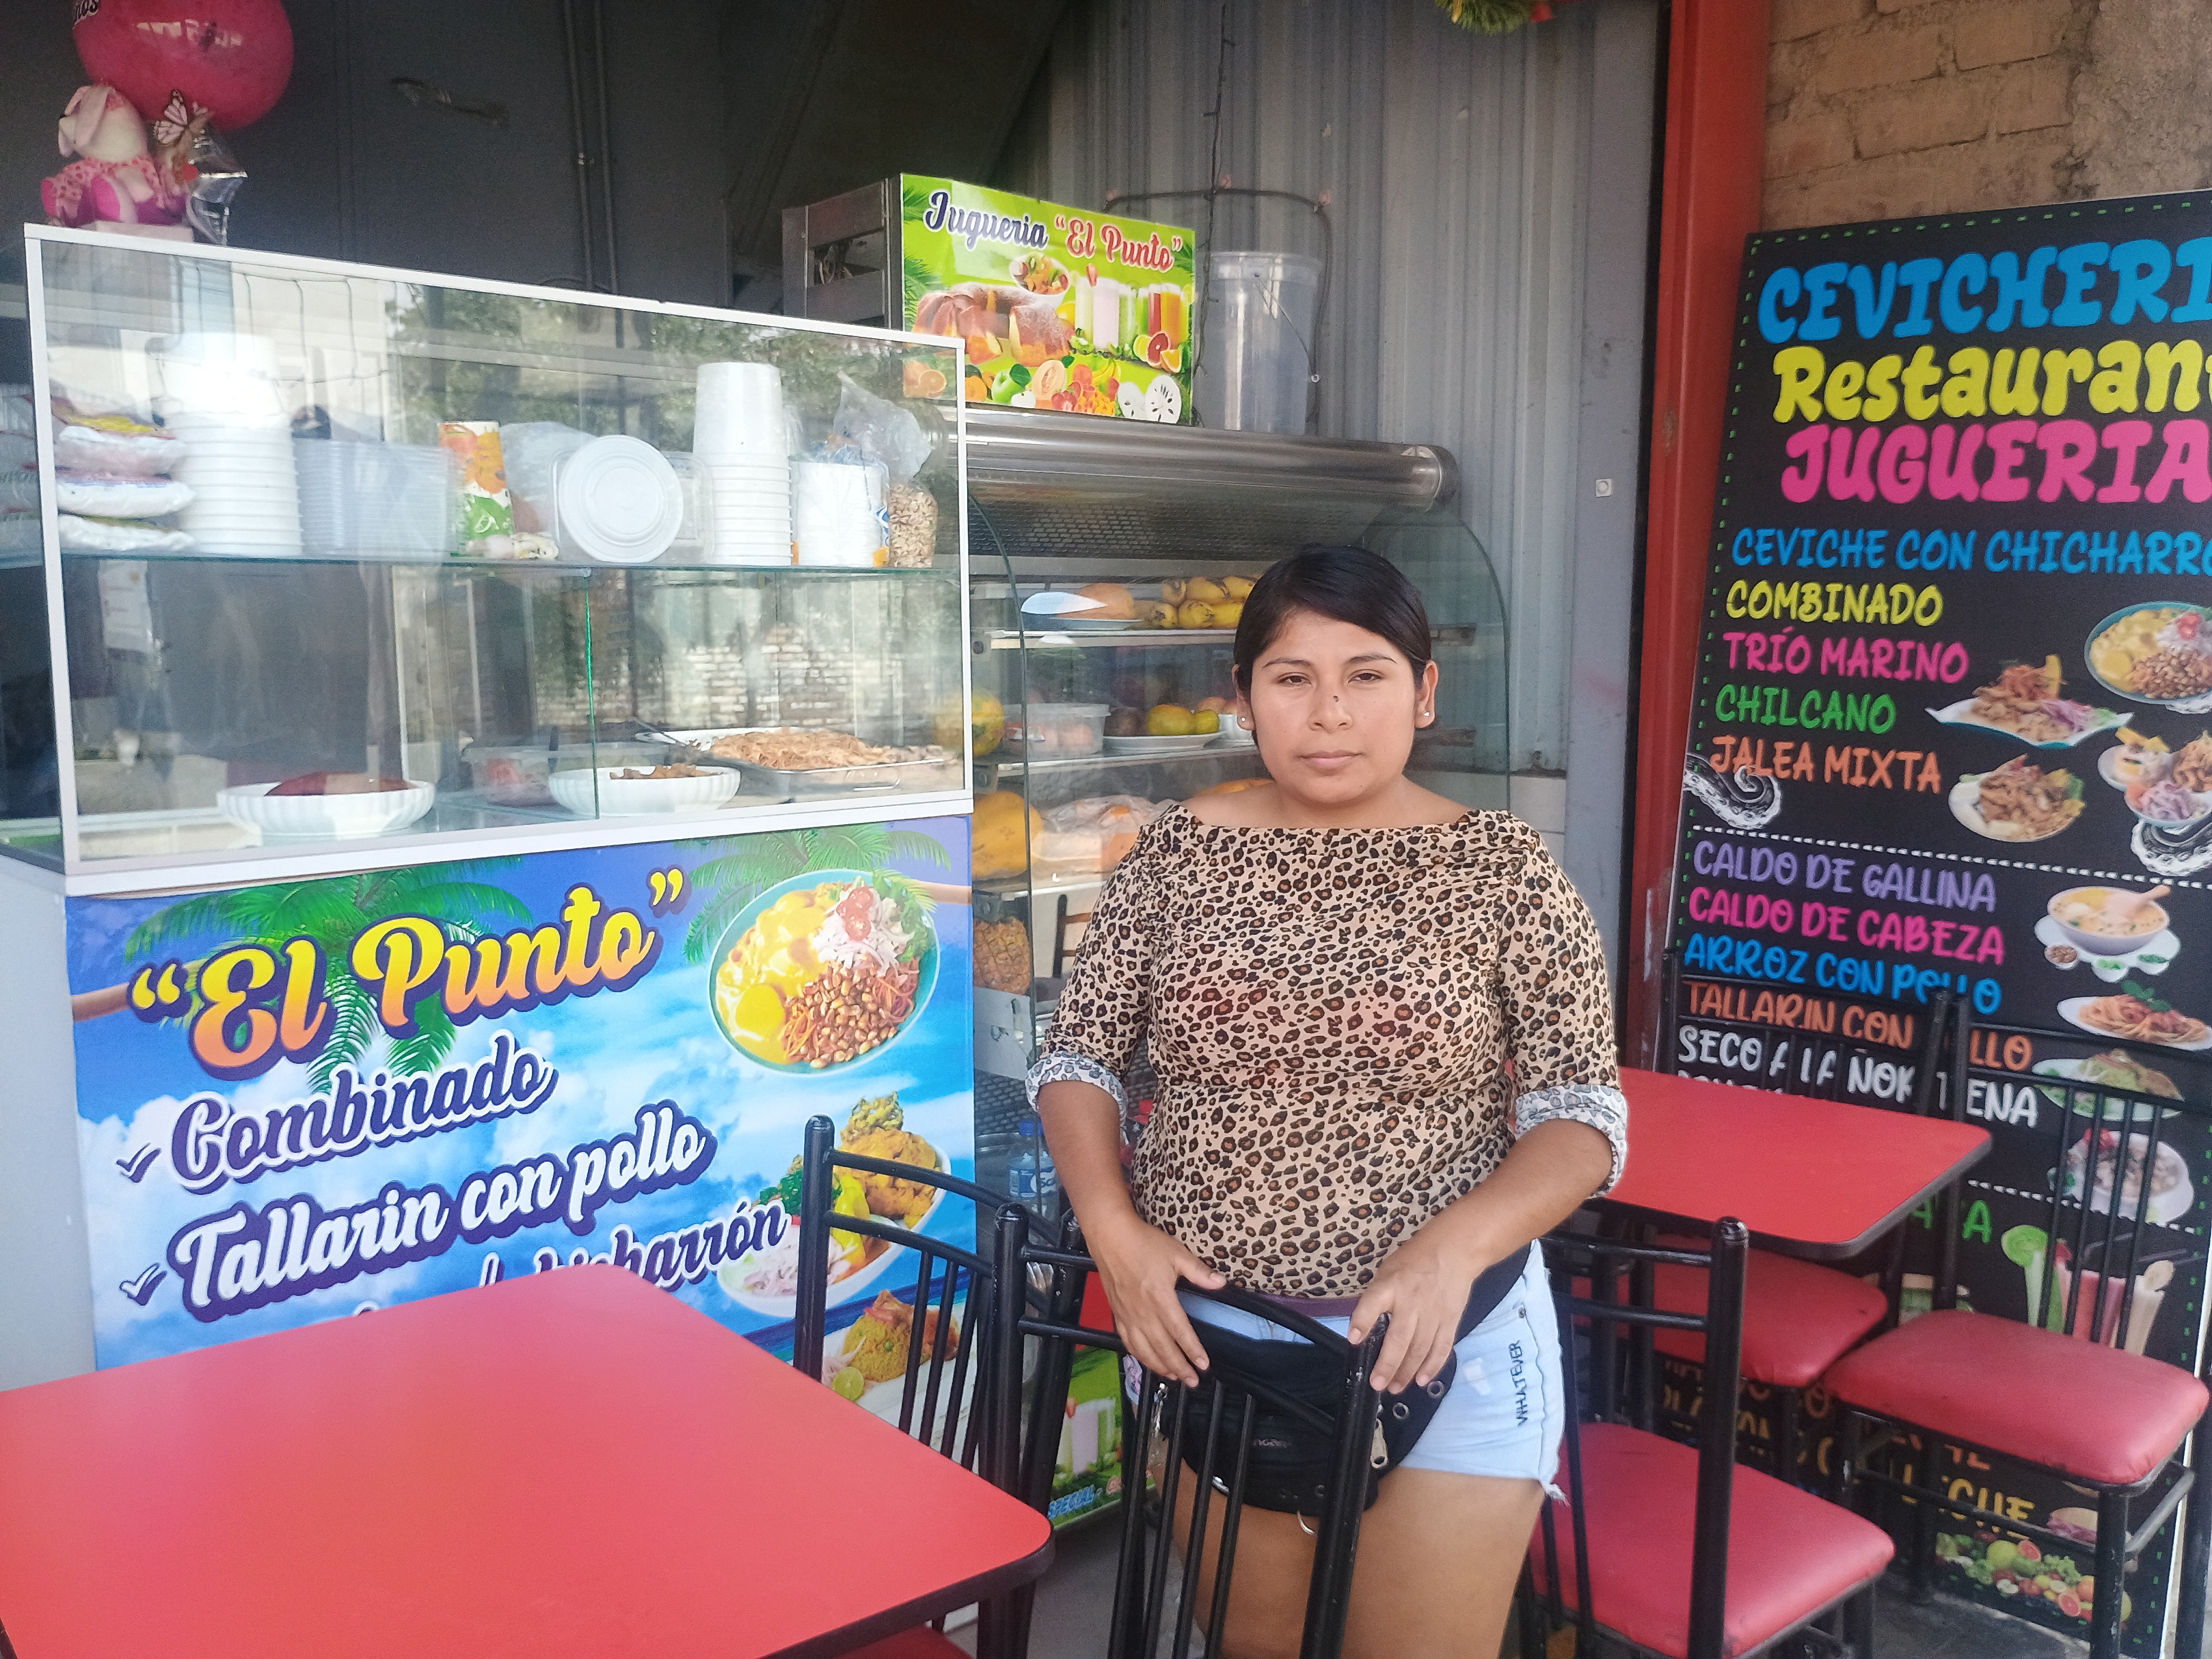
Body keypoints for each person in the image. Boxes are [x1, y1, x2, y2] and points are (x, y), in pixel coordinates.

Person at [1029, 545, 1626, 1659]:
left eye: (1366, 675)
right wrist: (1111, 1231)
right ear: (1244, 695)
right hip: (1210, 1345)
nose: (1329, 713)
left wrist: (1455, 1248)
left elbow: (1581, 1112)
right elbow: (1080, 1060)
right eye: (1292, 677)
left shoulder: (1504, 871)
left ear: (1424, 692)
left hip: (1446, 1343)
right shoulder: (1177, 853)